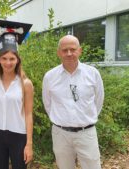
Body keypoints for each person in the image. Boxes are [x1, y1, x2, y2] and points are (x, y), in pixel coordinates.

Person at [42, 35, 104, 169]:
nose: (69, 53)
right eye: (65, 50)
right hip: (60, 134)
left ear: (79, 51)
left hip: (86, 133)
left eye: (72, 49)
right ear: (59, 53)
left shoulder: (93, 74)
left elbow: (98, 101)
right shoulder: (50, 76)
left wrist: (85, 119)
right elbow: (48, 104)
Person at [0, 19, 34, 169]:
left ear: (18, 60)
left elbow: (29, 114)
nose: (8, 62)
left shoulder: (26, 84)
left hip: (19, 137)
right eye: (4, 58)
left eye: (12, 58)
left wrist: (29, 144)